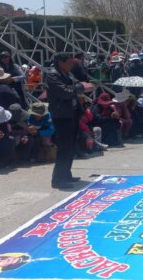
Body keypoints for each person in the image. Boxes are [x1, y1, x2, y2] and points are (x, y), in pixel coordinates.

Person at [45, 53, 83, 189]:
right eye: (69, 63)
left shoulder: (67, 74)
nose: (71, 65)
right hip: (61, 115)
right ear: (60, 62)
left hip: (72, 113)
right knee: (64, 147)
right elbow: (63, 92)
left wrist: (73, 88)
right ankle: (58, 179)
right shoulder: (52, 75)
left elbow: (79, 86)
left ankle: (66, 173)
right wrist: (74, 89)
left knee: (71, 146)